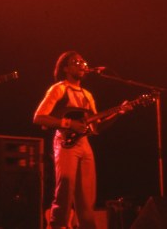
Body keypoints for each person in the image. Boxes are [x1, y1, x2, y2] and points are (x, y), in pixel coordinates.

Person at [35, 51, 125, 229]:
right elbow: (39, 117)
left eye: (83, 61)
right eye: (75, 62)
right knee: (65, 189)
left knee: (87, 195)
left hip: (84, 144)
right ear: (65, 68)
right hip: (65, 143)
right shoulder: (59, 89)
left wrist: (118, 112)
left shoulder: (87, 95)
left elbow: (96, 127)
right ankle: (57, 225)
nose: (82, 65)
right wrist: (69, 124)